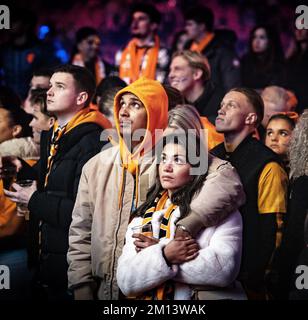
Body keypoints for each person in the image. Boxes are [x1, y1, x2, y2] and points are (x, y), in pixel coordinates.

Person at [67, 78, 245, 300]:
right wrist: (81, 287)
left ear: (154, 114)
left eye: (135, 104)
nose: (123, 112)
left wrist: (177, 237)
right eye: (121, 104)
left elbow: (227, 178)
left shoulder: (169, 163)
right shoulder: (96, 165)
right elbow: (81, 233)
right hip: (107, 288)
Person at [2, 64, 111, 300]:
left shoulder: (93, 142)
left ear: (81, 97)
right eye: (50, 85)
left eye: (59, 87)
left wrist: (33, 200)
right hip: (47, 260)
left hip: (72, 269)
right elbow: (50, 181)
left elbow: (83, 215)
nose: (49, 92)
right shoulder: (54, 134)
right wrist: (21, 166)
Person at [117, 133, 243, 300]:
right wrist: (165, 255)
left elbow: (223, 270)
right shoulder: (144, 215)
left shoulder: (219, 212)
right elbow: (126, 281)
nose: (167, 167)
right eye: (163, 159)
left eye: (178, 160)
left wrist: (160, 251)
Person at [211, 87, 288, 299]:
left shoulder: (267, 165)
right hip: (208, 276)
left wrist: (256, 279)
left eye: (231, 105)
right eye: (221, 105)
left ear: (251, 118)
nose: (221, 110)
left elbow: (272, 229)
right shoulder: (211, 157)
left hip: (246, 283)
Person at [269, 109, 308, 300]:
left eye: (283, 133)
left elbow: (295, 231)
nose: (274, 138)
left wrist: (280, 271)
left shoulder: (302, 180)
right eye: (269, 132)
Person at [184, 5, 241, 92]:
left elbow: (231, 84)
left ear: (202, 26)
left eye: (190, 24)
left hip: (214, 101)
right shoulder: (187, 47)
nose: (186, 28)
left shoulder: (222, 49)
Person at [115, 3, 169, 84]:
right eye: (133, 19)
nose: (135, 23)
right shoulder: (121, 53)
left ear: (153, 25)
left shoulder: (162, 53)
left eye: (141, 19)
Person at [241, 25, 285, 91]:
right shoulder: (245, 61)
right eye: (254, 37)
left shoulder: (277, 63)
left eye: (262, 37)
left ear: (270, 41)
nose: (256, 41)